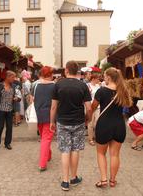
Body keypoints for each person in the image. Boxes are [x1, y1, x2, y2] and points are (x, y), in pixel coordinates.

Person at [50, 61, 92, 191]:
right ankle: (73, 177)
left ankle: (65, 181)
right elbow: (89, 108)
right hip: (78, 121)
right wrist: (87, 120)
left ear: (66, 71)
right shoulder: (83, 86)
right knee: (75, 149)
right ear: (77, 71)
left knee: (65, 150)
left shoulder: (58, 84)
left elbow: (53, 106)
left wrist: (52, 122)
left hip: (62, 122)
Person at [91, 68, 132, 188]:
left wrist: (88, 116)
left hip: (104, 125)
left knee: (101, 153)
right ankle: (113, 181)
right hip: (119, 125)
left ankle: (103, 180)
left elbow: (93, 107)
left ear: (108, 77)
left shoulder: (101, 91)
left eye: (104, 75)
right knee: (115, 155)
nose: (103, 78)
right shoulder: (122, 91)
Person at [33, 66, 55, 172]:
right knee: (46, 139)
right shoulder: (54, 86)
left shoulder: (36, 85)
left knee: (44, 138)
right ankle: (42, 164)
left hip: (38, 115)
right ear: (50, 74)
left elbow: (31, 99)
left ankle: (48, 155)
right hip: (49, 116)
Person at [0, 71, 20, 151]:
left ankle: (7, 143)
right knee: (0, 127)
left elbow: (19, 97)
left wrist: (16, 98)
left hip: (10, 110)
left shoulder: (14, 86)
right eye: (12, 77)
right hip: (0, 110)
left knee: (9, 127)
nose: (14, 79)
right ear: (7, 77)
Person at [87, 74, 101, 146]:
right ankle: (90, 139)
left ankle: (95, 136)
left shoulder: (98, 86)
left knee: (97, 123)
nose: (99, 80)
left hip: (98, 106)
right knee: (90, 123)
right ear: (93, 79)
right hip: (91, 107)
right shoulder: (88, 85)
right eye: (97, 79)